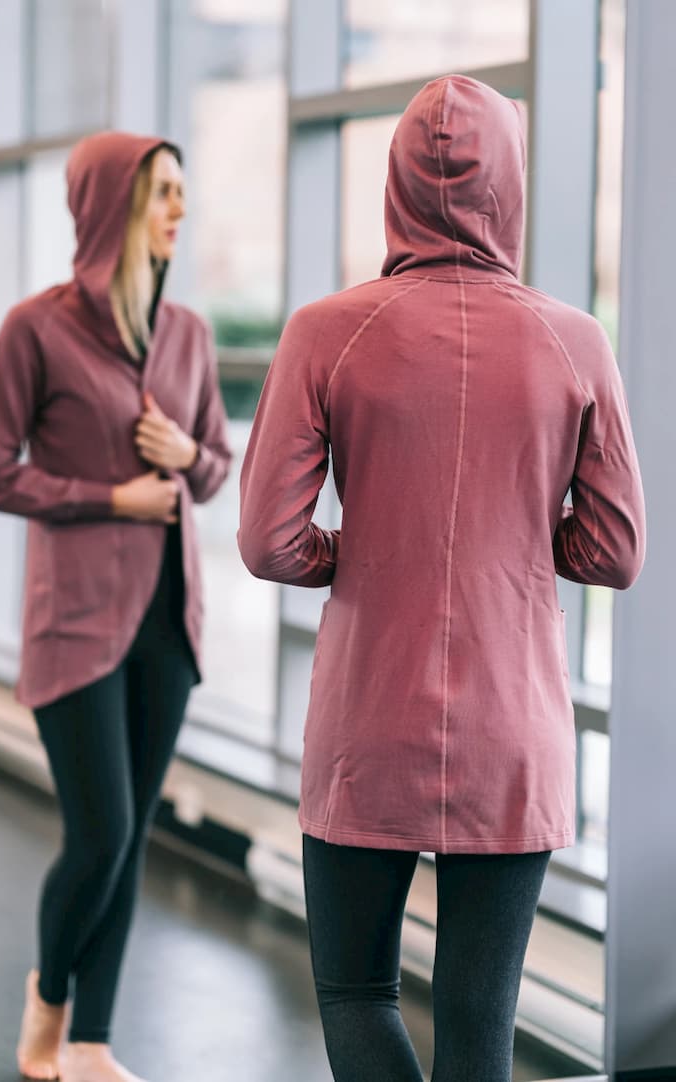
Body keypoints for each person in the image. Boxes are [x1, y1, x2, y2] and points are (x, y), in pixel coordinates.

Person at [238, 75, 646, 1082]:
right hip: (515, 729)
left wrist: (366, 545)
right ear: (510, 179)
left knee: (356, 991)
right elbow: (614, 550)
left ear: (396, 182)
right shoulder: (574, 339)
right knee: (479, 1028)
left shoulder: (325, 330)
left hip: (369, 715)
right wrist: (505, 538)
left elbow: (268, 541)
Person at [0, 131, 231, 1082]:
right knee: (102, 833)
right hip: (75, 628)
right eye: (162, 191)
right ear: (113, 204)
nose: (178, 211)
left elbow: (214, 470)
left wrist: (186, 458)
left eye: (182, 193)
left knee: (133, 839)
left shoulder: (191, 336)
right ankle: (47, 1006)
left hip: (167, 625)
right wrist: (108, 496)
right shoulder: (36, 331)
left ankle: (90, 1043)